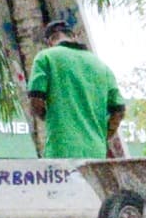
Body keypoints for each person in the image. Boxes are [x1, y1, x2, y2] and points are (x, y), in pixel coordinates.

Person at [28, 19, 127, 163]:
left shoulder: (46, 57)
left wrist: (51, 118)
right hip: (96, 152)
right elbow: (119, 110)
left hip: (61, 150)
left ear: (50, 41)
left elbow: (36, 100)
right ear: (74, 36)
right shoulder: (101, 66)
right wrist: (102, 134)